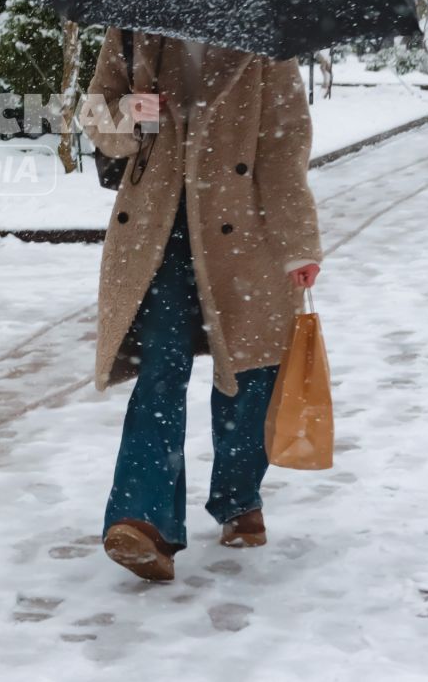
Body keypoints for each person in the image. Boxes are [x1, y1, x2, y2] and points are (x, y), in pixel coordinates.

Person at [77, 31, 323, 583]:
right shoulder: (135, 23)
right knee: (160, 371)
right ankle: (143, 521)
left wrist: (297, 243)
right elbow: (95, 112)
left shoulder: (264, 35)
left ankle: (238, 498)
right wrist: (130, 113)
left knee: (250, 372)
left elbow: (284, 147)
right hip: (157, 231)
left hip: (244, 235)